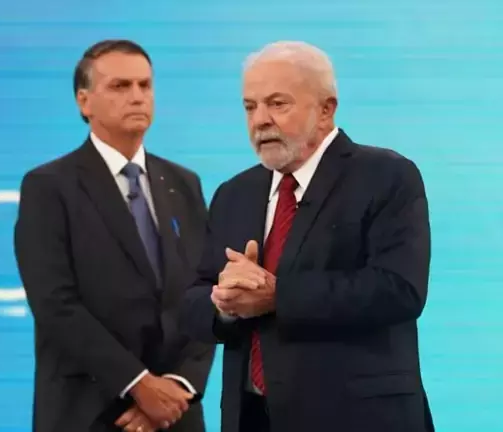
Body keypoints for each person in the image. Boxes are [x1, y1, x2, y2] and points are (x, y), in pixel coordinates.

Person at [181, 41, 435, 432]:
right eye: (250, 107)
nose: (260, 120)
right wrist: (224, 303)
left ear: (326, 109)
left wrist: (276, 295)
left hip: (356, 418)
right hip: (252, 417)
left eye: (277, 104)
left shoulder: (386, 176)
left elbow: (399, 289)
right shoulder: (234, 193)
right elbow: (193, 300)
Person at [14, 39, 215, 432]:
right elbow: (55, 304)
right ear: (84, 102)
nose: (137, 96)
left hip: (176, 416)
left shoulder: (183, 183)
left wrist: (178, 385)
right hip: (90, 413)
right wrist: (139, 386)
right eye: (120, 86)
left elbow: (205, 293)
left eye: (145, 85)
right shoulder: (49, 186)